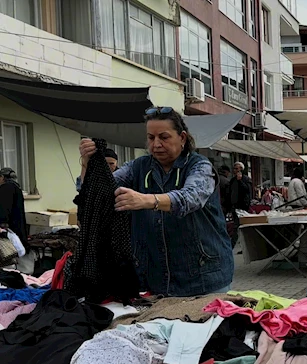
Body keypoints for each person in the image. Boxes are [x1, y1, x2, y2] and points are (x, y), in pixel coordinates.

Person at [78, 106, 233, 296]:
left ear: (182, 138)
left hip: (204, 278)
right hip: (156, 279)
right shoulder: (138, 167)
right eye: (151, 138)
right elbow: (98, 192)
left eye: (164, 137)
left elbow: (190, 197)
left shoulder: (200, 166)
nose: (156, 144)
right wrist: (87, 163)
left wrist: (146, 200)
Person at [0, 168, 27, 248]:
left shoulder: (5, 188)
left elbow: (3, 211)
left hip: (9, 229)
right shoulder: (17, 188)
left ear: (2, 177)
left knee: (8, 254)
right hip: (18, 228)